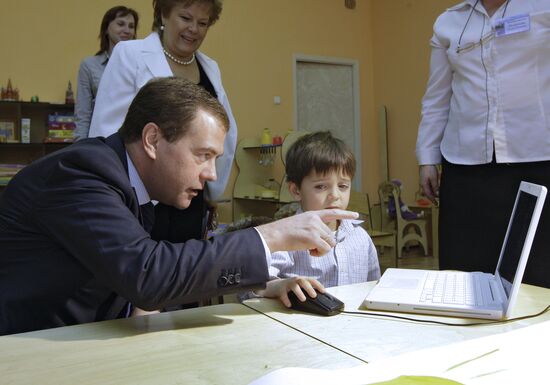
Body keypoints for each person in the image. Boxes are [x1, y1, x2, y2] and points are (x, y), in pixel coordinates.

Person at [0, 78, 358, 335]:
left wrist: (267, 285)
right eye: (203, 155)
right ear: (153, 139)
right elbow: (148, 274)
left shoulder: (134, 187)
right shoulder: (81, 174)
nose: (212, 175)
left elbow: (156, 275)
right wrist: (270, 236)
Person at [416, 0, 550, 287]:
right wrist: (427, 157)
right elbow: (436, 97)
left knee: (536, 271)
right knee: (463, 272)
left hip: (536, 156)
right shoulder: (449, 22)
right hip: (466, 167)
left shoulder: (542, 6)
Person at [88, 0, 232, 245]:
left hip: (192, 195)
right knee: (142, 269)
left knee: (187, 267)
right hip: (141, 196)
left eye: (202, 23)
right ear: (164, 15)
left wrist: (211, 188)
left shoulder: (210, 68)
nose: (193, 29)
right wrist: (116, 195)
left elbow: (221, 131)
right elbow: (106, 131)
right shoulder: (130, 54)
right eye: (185, 18)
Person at [250, 132, 380, 307]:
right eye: (321, 186)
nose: (335, 195)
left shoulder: (361, 238)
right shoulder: (286, 238)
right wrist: (280, 285)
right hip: (300, 328)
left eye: (343, 186)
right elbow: (252, 287)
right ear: (296, 191)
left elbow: (374, 289)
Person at [74, 6, 139, 140]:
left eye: (131, 26)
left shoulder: (140, 64)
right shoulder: (89, 66)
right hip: (100, 140)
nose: (127, 30)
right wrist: (80, 147)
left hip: (132, 140)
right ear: (106, 29)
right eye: (120, 24)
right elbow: (83, 114)